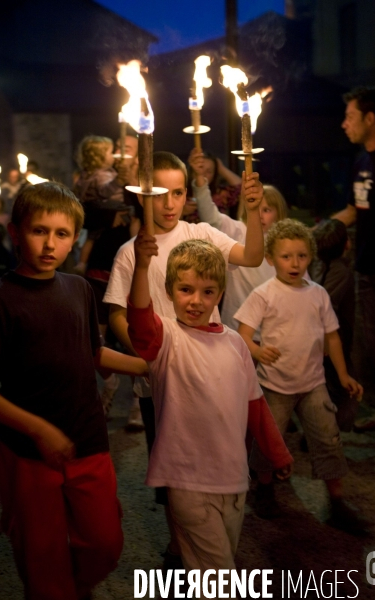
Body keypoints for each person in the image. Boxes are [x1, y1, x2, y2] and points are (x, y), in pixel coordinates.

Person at [104, 150, 265, 566]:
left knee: (209, 449)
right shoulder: (130, 252)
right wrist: (144, 356)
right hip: (157, 377)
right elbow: (119, 313)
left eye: (178, 192)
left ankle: (203, 529)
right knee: (171, 466)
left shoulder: (203, 235)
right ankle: (183, 542)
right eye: (159, 193)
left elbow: (251, 256)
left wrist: (251, 212)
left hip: (205, 371)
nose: (170, 203)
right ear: (142, 195)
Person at [0, 181, 148, 600]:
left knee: (104, 542)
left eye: (62, 234)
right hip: (27, 453)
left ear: (75, 238)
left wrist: (147, 366)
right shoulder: (2, 299)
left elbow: (92, 353)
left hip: (88, 439)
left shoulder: (78, 289)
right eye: (38, 231)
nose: (50, 244)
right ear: (14, 233)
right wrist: (38, 429)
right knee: (41, 557)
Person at [127, 235, 293, 574]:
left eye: (207, 291)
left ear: (220, 294)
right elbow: (140, 322)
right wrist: (142, 266)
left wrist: (277, 453)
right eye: (185, 290)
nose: (196, 301)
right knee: (219, 577)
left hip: (233, 480)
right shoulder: (167, 338)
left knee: (216, 569)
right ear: (170, 290)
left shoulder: (235, 343)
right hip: (187, 480)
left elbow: (255, 405)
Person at [235, 219, 366, 535]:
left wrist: (344, 375)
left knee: (328, 438)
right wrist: (257, 350)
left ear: (311, 257)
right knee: (270, 441)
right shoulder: (264, 293)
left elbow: (332, 337)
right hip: (274, 384)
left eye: (301, 256)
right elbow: (242, 333)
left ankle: (336, 500)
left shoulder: (318, 294)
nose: (294, 264)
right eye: (286, 256)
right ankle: (264, 488)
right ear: (270, 258)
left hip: (313, 384)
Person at [335, 86, 375, 444]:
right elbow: (354, 210)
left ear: (370, 119)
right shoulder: (361, 162)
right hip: (367, 267)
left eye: (350, 117)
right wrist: (320, 232)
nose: (344, 124)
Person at [73, 135, 140, 416]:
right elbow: (89, 212)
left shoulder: (141, 179)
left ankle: (140, 401)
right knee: (94, 338)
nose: (120, 153)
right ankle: (106, 385)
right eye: (116, 148)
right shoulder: (104, 179)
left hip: (131, 268)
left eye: (127, 149)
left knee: (136, 336)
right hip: (102, 265)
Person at [189, 147, 288, 333]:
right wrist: (200, 180)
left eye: (266, 210)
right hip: (237, 326)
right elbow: (210, 216)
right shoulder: (238, 230)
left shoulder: (285, 241)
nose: (260, 215)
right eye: (256, 208)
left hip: (276, 328)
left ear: (278, 212)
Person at [310, 219, 358, 431]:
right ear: (347, 244)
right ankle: (330, 429)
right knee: (339, 386)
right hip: (333, 340)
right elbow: (326, 306)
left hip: (323, 339)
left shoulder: (318, 265)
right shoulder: (341, 272)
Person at [183, 150, 242, 223]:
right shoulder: (181, 194)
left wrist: (221, 168)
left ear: (214, 175)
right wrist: (181, 212)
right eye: (199, 169)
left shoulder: (219, 195)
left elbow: (241, 188)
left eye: (209, 171)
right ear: (192, 171)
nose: (203, 174)